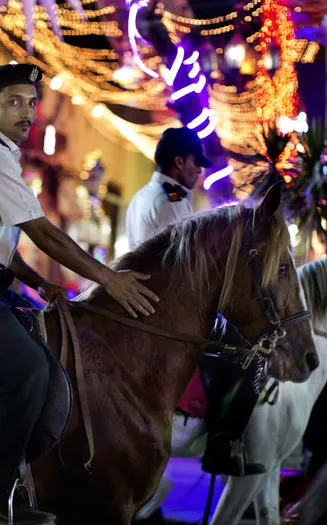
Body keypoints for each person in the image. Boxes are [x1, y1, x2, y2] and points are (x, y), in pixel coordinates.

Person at [0, 63, 159, 524]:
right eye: (14, 102)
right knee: (27, 368)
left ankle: (34, 475)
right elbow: (43, 234)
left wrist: (38, 282)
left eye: (31, 102)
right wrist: (110, 279)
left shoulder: (0, 156)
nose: (27, 112)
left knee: (56, 346)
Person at [125, 128, 264, 511]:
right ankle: (223, 445)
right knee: (240, 364)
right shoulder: (171, 200)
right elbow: (191, 267)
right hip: (169, 309)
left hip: (152, 303)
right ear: (178, 162)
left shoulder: (146, 195)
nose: (200, 172)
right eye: (195, 164)